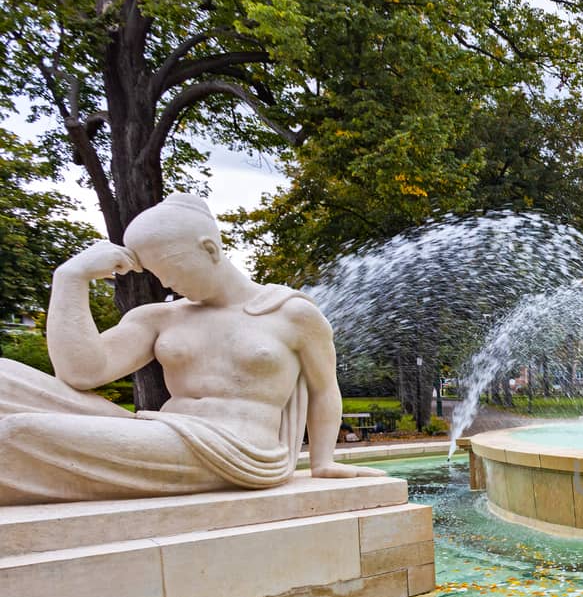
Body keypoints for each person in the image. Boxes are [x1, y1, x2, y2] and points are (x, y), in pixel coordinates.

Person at [0, 193, 382, 505]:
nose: (164, 281)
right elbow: (81, 373)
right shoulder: (159, 317)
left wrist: (323, 462)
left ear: (210, 249)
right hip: (163, 431)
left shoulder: (291, 314)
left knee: (20, 433)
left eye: (169, 267)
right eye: (154, 272)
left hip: (237, 449)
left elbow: (324, 389)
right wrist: (70, 278)